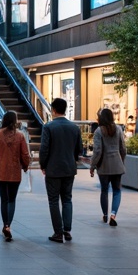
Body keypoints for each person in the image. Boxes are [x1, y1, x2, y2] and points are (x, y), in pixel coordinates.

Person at [39, 97, 81, 243]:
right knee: (67, 199)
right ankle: (67, 230)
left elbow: (44, 149)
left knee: (53, 200)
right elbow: (79, 150)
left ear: (54, 110)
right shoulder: (75, 128)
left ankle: (58, 232)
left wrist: (43, 165)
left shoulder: (48, 127)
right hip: (69, 168)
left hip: (53, 169)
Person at [0, 110, 30, 241]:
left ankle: (5, 224)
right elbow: (25, 154)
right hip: (14, 172)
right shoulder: (20, 136)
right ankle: (8, 226)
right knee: (12, 199)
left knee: (4, 199)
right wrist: (25, 165)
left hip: (1, 171)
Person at [89, 108, 126, 226]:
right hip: (117, 165)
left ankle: (105, 214)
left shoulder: (99, 131)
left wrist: (92, 165)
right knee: (117, 191)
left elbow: (97, 151)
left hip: (104, 166)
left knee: (104, 190)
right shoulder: (119, 129)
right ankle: (113, 214)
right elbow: (123, 149)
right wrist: (122, 161)